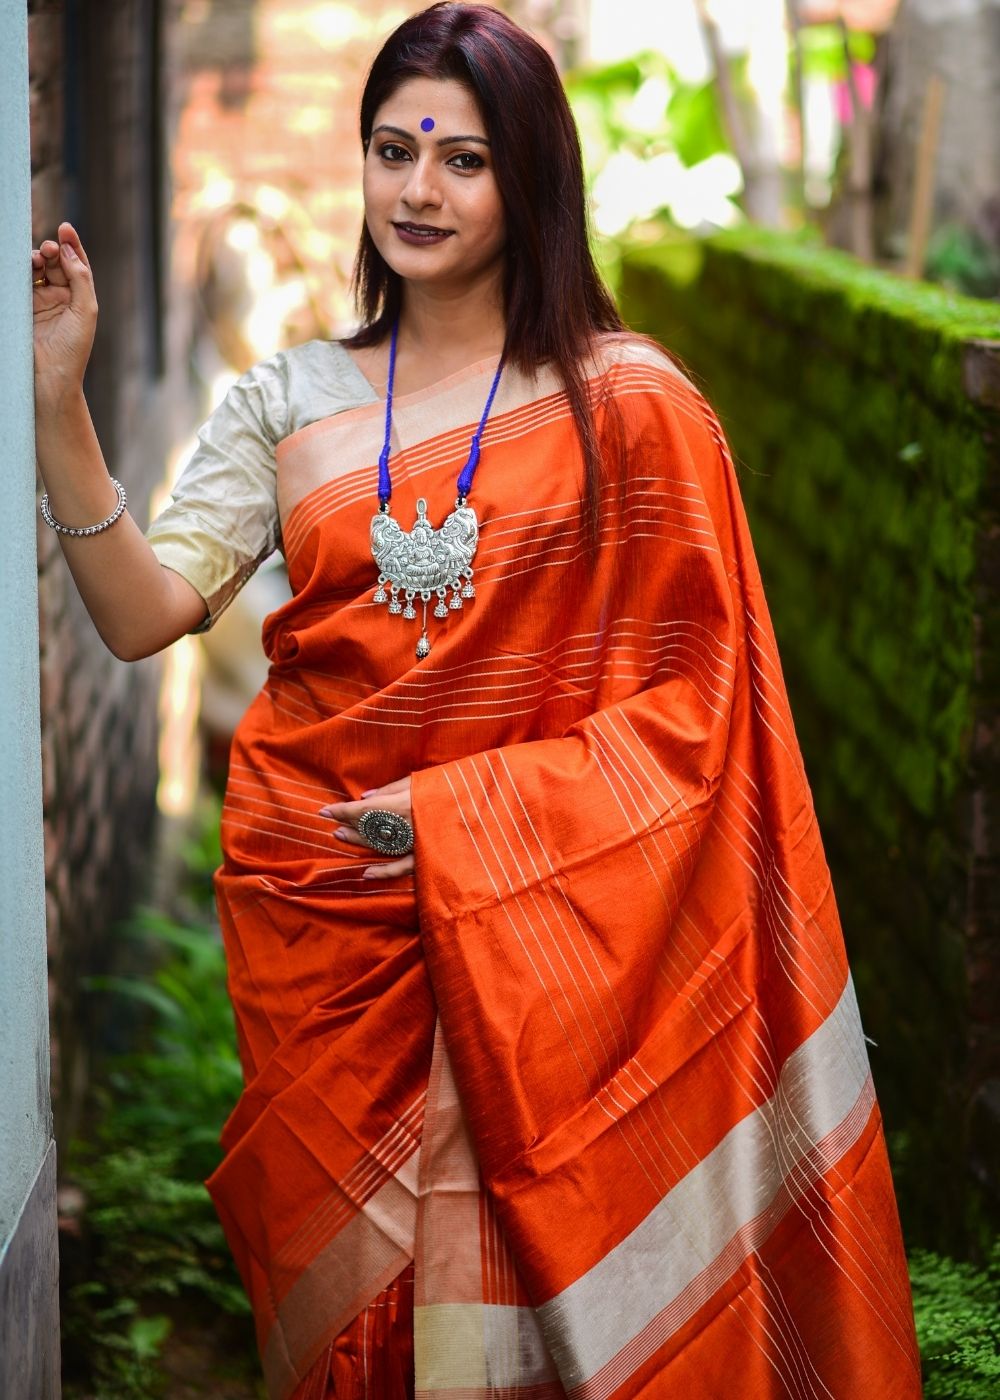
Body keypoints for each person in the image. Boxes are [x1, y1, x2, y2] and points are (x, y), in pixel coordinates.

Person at [32, 4, 923, 1397]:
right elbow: (148, 614)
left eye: (462, 159)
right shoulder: (294, 400)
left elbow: (705, 713)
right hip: (332, 931)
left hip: (568, 960)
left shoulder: (631, 409)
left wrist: (464, 821)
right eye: (394, 152)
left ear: (532, 178)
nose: (418, 190)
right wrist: (60, 407)